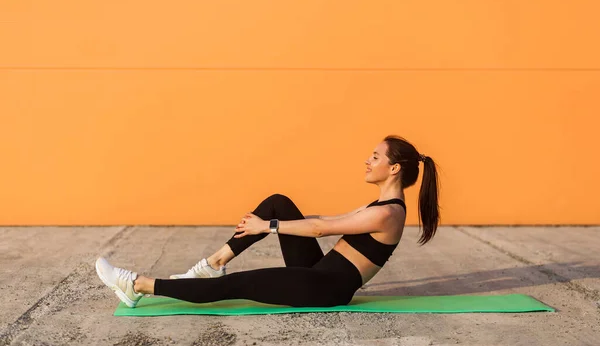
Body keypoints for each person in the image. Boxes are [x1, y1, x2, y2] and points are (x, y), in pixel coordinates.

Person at [95, 135, 440, 308]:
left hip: (326, 289)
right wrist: (276, 219)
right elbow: (331, 220)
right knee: (279, 203)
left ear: (394, 168)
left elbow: (322, 229)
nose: (368, 161)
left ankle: (136, 285)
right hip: (321, 272)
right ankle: (214, 262)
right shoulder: (383, 205)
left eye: (375, 157)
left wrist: (268, 227)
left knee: (238, 286)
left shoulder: (388, 212)